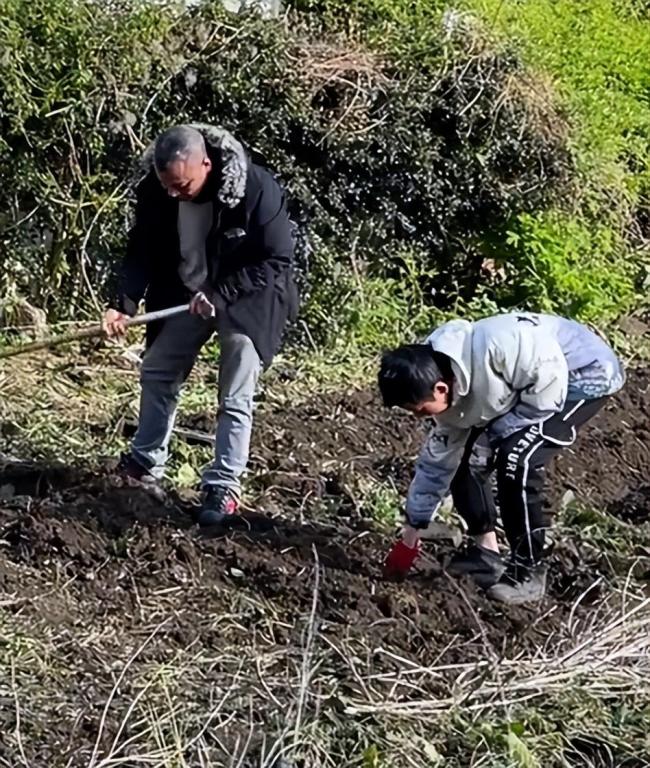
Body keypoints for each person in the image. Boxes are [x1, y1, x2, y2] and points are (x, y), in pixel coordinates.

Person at [103, 124, 298, 526]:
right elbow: (141, 247)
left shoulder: (255, 189)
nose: (175, 193)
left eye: (182, 185)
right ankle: (144, 461)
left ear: (206, 164)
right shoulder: (157, 192)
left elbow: (276, 259)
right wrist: (122, 304)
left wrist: (220, 292)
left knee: (234, 392)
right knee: (158, 369)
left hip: (248, 296)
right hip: (185, 292)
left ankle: (223, 484)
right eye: (168, 186)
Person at [378, 312, 625, 604]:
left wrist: (498, 434)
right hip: (523, 389)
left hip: (578, 376)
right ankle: (486, 554)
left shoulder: (500, 346)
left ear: (441, 389)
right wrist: (412, 530)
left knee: (517, 457)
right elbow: (437, 464)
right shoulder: (441, 389)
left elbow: (547, 388)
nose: (418, 416)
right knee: (465, 456)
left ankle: (528, 570)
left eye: (419, 409)